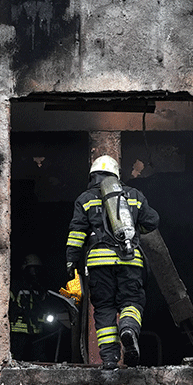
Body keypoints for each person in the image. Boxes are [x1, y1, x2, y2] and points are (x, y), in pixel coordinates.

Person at [64, 155, 160, 369]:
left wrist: (71, 261)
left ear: (93, 175)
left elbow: (77, 233)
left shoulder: (85, 198)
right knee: (131, 301)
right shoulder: (134, 195)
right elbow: (152, 222)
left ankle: (109, 358)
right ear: (117, 174)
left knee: (104, 307)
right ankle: (127, 328)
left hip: (99, 263)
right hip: (130, 261)